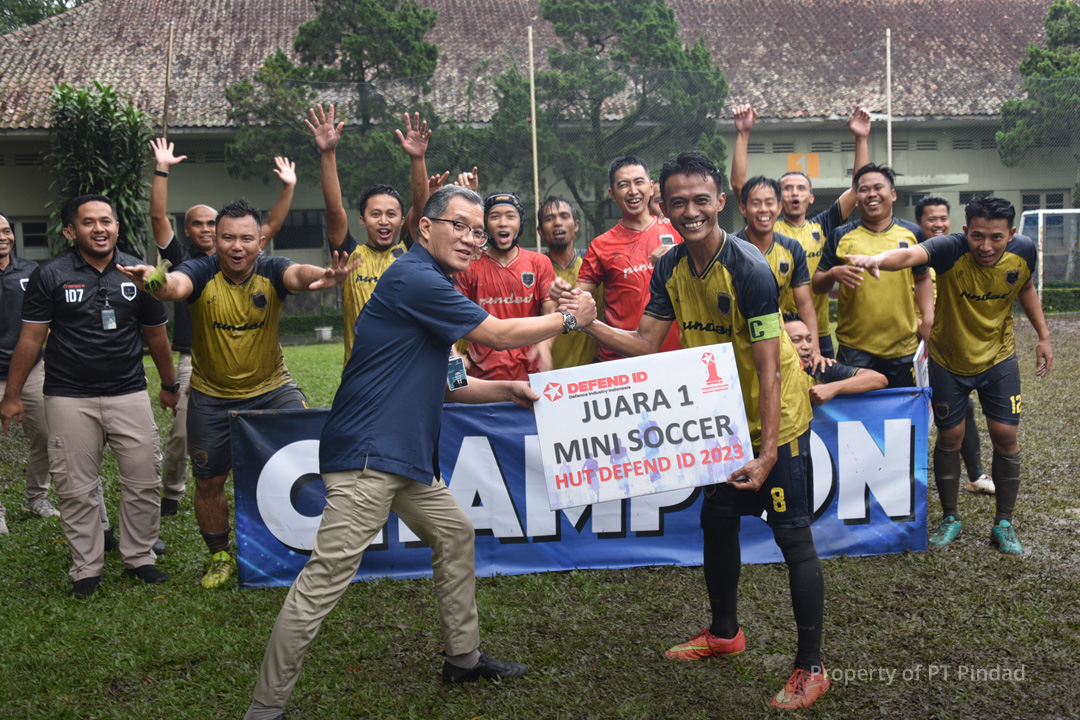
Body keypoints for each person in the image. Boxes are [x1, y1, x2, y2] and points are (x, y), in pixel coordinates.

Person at [242, 185, 596, 720]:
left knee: (453, 534)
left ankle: (463, 657)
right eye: (460, 225)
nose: (473, 238)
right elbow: (498, 334)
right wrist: (572, 319)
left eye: (478, 230)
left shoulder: (435, 286)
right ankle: (265, 708)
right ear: (425, 227)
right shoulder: (415, 276)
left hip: (404, 457)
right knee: (324, 579)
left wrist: (507, 390)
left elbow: (451, 383)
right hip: (368, 454)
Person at [569, 152, 829, 710]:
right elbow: (643, 342)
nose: (690, 211)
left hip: (774, 420)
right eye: (679, 201)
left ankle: (812, 667)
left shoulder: (751, 268)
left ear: (721, 202)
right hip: (724, 417)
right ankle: (725, 633)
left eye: (701, 200)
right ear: (666, 205)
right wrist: (592, 325)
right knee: (717, 520)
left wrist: (764, 455)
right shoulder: (669, 267)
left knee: (792, 538)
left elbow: (766, 367)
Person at [118, 199, 357, 589]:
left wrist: (324, 274)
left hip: (273, 389)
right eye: (227, 237)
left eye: (246, 238)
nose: (236, 246)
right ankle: (221, 555)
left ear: (259, 242)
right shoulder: (201, 269)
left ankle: (309, 546)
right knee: (209, 482)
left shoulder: (271, 269)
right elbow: (175, 287)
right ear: (215, 239)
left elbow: (298, 275)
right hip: (211, 396)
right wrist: (155, 282)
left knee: (307, 457)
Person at [844, 195, 1052, 555]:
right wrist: (877, 259)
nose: (986, 246)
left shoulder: (1025, 252)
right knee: (950, 436)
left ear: (1012, 233)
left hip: (998, 360)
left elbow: (1027, 288)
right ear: (965, 231)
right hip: (948, 360)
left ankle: (1004, 522)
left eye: (996, 238)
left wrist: (1044, 336)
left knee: (1005, 436)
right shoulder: (948, 248)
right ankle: (950, 518)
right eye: (977, 236)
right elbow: (910, 256)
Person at [0, 194, 178, 597]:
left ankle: (140, 557)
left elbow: (157, 337)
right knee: (76, 487)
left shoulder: (140, 272)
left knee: (144, 478)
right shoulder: (51, 274)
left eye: (107, 221)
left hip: (129, 392)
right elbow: (30, 339)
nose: (99, 228)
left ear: (117, 226)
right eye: (88, 222)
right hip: (68, 396)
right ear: (70, 231)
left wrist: (169, 385)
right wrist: (12, 395)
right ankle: (86, 567)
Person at [148, 138, 297, 516]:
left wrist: (289, 187)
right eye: (201, 225)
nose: (232, 242)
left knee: (298, 445)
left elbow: (276, 238)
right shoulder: (185, 259)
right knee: (185, 443)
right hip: (198, 367)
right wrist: (161, 169)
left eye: (213, 224)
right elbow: (167, 264)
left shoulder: (259, 260)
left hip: (265, 380)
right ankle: (171, 495)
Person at [731, 104, 871, 358]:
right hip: (773, 328)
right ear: (778, 199)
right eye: (787, 188)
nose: (795, 192)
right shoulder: (768, 227)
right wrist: (743, 134)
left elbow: (858, 188)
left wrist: (861, 138)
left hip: (814, 331)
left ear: (810, 197)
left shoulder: (822, 226)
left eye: (801, 188)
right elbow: (741, 187)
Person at [306, 104, 434, 364]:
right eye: (375, 214)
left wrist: (418, 159)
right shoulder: (349, 254)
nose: (384, 221)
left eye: (391, 214)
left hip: (405, 369)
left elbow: (421, 207)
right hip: (359, 373)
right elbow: (333, 210)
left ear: (402, 219)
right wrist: (328, 153)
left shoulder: (412, 252)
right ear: (362, 221)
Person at [812, 164, 933, 387]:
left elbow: (923, 278)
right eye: (864, 189)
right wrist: (833, 274)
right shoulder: (841, 235)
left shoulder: (913, 234)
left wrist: (928, 319)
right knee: (858, 414)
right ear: (857, 198)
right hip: (855, 347)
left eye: (879, 187)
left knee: (902, 414)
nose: (872, 194)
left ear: (893, 194)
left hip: (903, 346)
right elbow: (817, 284)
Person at [551, 155, 682, 362]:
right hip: (618, 363)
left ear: (651, 186)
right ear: (612, 194)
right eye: (623, 185)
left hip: (675, 358)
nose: (633, 191)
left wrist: (677, 254)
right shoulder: (601, 245)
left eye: (639, 182)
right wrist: (564, 294)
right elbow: (577, 303)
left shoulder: (677, 232)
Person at [914, 195, 992, 494]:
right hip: (914, 346)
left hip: (949, 349)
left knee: (964, 408)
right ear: (920, 223)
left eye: (943, 218)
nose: (938, 223)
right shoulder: (916, 254)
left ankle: (976, 474)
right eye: (931, 219)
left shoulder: (963, 254)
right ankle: (910, 480)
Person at [0, 210, 62, 528]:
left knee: (46, 433)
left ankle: (36, 496)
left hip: (29, 369)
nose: (3, 236)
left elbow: (46, 315)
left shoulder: (30, 271)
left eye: (7, 230)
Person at [456, 190, 557, 380]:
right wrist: (453, 354)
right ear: (485, 224)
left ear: (520, 223)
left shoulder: (539, 263)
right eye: (495, 216)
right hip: (482, 379)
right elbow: (450, 316)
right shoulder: (469, 266)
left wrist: (545, 345)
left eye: (510, 216)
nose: (503, 223)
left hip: (530, 376)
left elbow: (551, 311)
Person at [733, 176, 821, 357]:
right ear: (743, 208)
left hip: (783, 339)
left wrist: (816, 350)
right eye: (756, 204)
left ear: (779, 207)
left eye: (769, 203)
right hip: (739, 340)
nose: (763, 210)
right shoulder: (730, 248)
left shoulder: (792, 248)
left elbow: (805, 304)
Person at [538, 195, 603, 369]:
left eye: (564, 216)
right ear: (540, 231)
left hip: (592, 374)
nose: (558, 223)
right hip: (545, 373)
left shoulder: (595, 268)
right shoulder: (533, 272)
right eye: (550, 219)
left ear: (576, 225)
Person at [783, 313, 887, 402]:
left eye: (809, 340)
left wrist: (833, 388)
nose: (806, 346)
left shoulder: (819, 368)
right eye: (796, 340)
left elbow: (879, 379)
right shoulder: (769, 373)